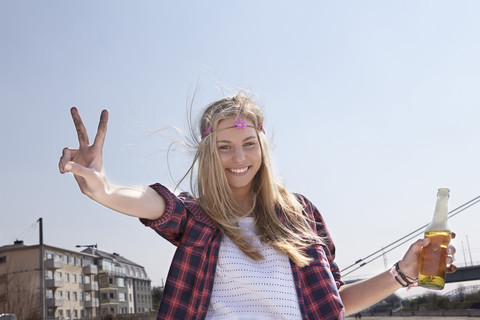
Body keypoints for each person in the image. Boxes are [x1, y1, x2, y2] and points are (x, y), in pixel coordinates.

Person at [59, 93, 456, 319]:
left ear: (263, 148)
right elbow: (156, 203)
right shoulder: (199, 218)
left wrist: (403, 273)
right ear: (209, 155)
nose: (238, 158)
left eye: (248, 145)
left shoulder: (302, 214)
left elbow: (335, 301)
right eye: (224, 148)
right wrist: (105, 190)